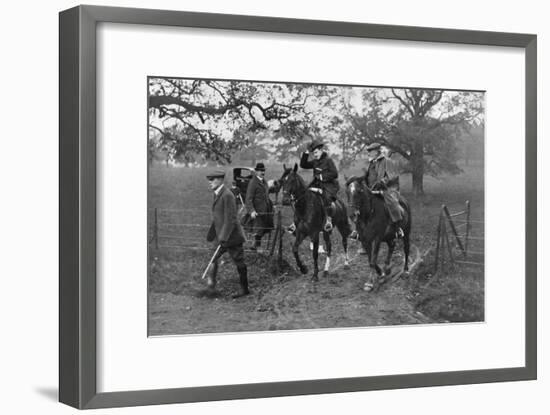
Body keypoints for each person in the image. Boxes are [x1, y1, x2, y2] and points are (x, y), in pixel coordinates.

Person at [205, 170, 250, 298]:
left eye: (212, 179)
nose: (210, 182)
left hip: (232, 237)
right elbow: (218, 217)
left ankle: (244, 289)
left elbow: (230, 219)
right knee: (212, 259)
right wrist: (213, 233)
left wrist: (223, 238)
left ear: (220, 180)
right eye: (209, 180)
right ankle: (210, 287)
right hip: (221, 235)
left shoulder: (227, 195)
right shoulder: (217, 194)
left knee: (239, 262)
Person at [294, 139, 340, 232]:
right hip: (317, 184)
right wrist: (306, 152)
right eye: (313, 153)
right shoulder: (315, 161)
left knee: (326, 197)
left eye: (316, 152)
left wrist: (322, 177)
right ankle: (298, 220)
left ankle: (328, 220)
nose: (315, 155)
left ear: (321, 150)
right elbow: (303, 165)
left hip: (329, 185)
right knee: (304, 195)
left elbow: (335, 174)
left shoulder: (328, 160)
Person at [364, 142, 404, 238]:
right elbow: (367, 177)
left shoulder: (387, 161)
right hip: (371, 190)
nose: (368, 153)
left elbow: (392, 176)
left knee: (392, 203)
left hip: (388, 189)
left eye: (370, 151)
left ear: (377, 152)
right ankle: (358, 230)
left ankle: (397, 228)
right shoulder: (371, 163)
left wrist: (382, 182)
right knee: (360, 204)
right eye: (368, 151)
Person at [244, 162, 274, 250]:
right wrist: (252, 211)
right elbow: (248, 199)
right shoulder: (253, 182)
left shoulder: (264, 181)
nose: (262, 172)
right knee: (257, 230)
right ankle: (255, 247)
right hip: (257, 211)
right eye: (260, 171)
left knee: (263, 229)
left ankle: (257, 246)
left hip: (265, 210)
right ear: (256, 172)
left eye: (263, 170)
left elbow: (266, 194)